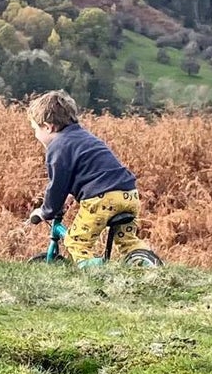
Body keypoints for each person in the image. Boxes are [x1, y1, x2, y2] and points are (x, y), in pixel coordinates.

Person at [26, 90, 146, 268]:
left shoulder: (58, 147)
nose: (35, 134)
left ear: (48, 126)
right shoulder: (85, 138)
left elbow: (56, 186)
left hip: (103, 199)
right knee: (128, 242)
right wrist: (72, 195)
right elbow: (93, 173)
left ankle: (99, 274)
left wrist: (45, 211)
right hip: (129, 194)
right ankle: (148, 264)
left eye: (35, 128)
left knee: (76, 243)